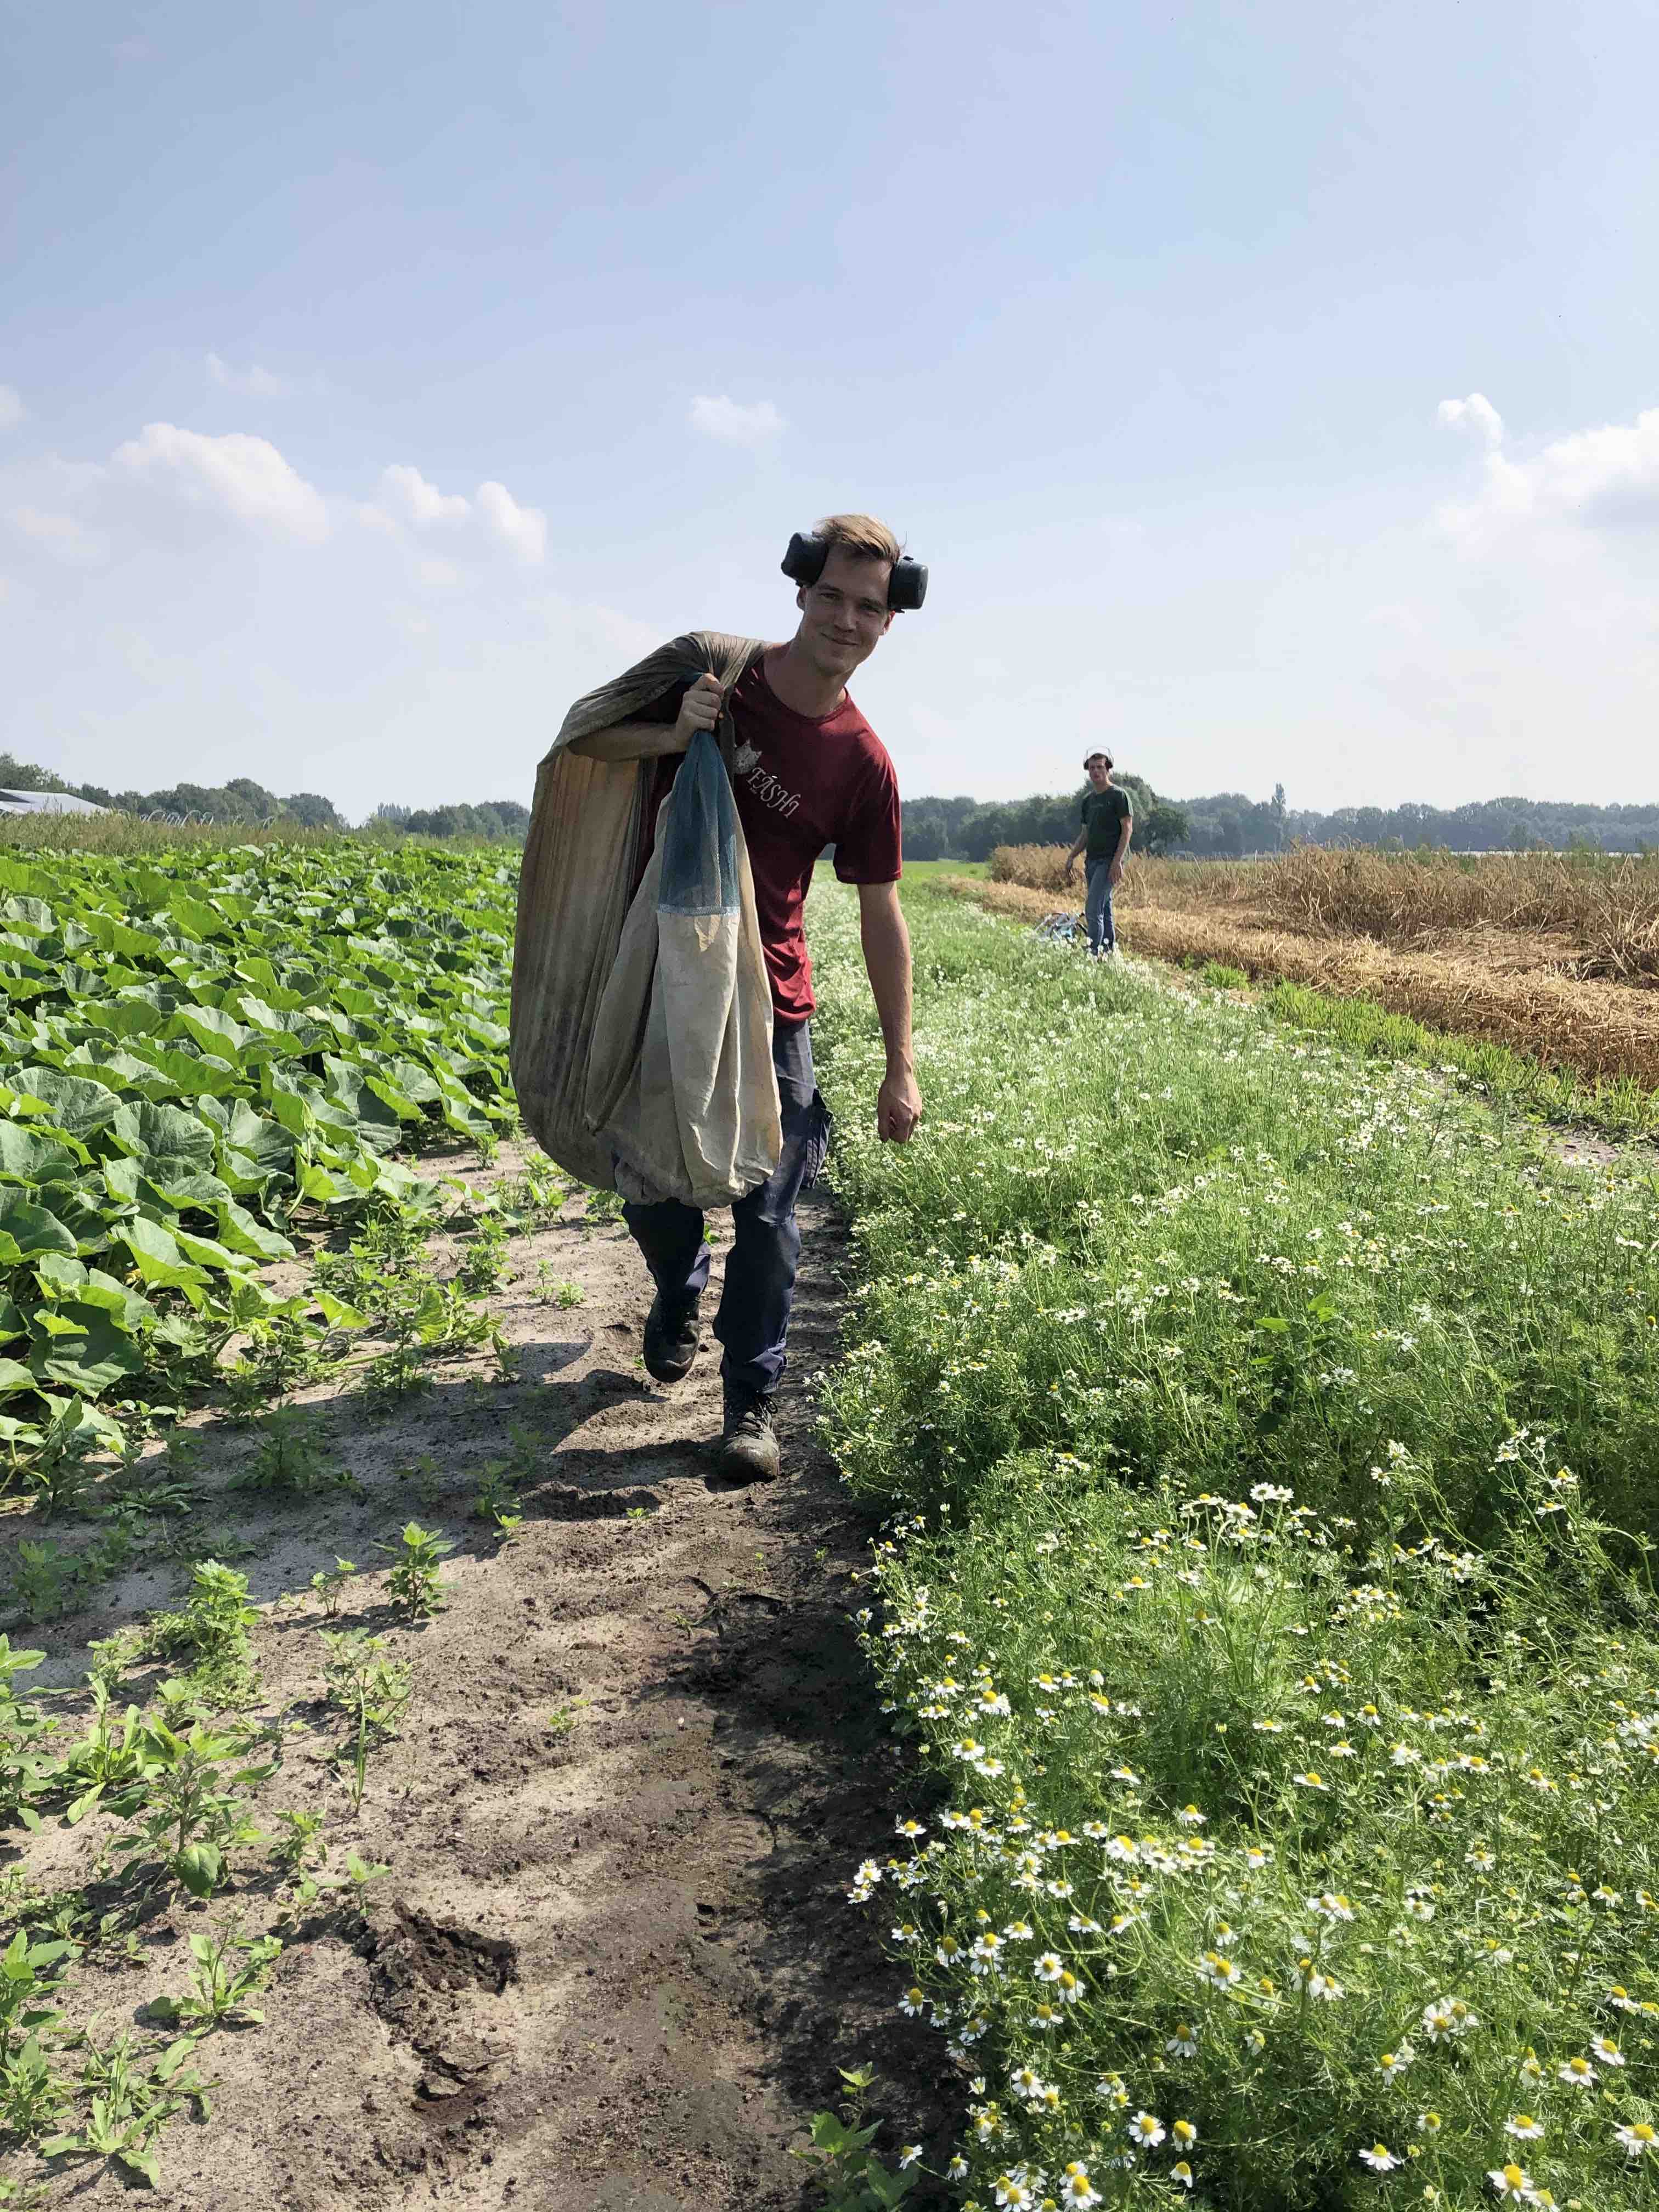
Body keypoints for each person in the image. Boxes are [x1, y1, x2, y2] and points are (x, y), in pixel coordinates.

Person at [615, 514, 923, 1483]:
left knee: (768, 1210)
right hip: (667, 966)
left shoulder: (862, 761)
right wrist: (675, 728)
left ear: (886, 624)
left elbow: (881, 913)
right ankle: (676, 1286)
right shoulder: (715, 677)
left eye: (866, 607)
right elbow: (584, 745)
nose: (844, 618)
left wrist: (898, 1062)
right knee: (650, 1176)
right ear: (799, 591)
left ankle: (748, 1404)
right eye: (829, 594)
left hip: (773, 994)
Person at [1064, 750, 1133, 956]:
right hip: (1092, 860)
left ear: (1108, 769)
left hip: (1110, 860)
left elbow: (1127, 829)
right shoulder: (1088, 801)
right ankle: (1108, 952)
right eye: (1092, 768)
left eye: (1100, 767)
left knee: (1093, 907)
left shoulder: (1119, 796)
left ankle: (1093, 953)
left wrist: (1117, 862)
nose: (1096, 772)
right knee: (1104, 908)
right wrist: (1072, 856)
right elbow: (1085, 834)